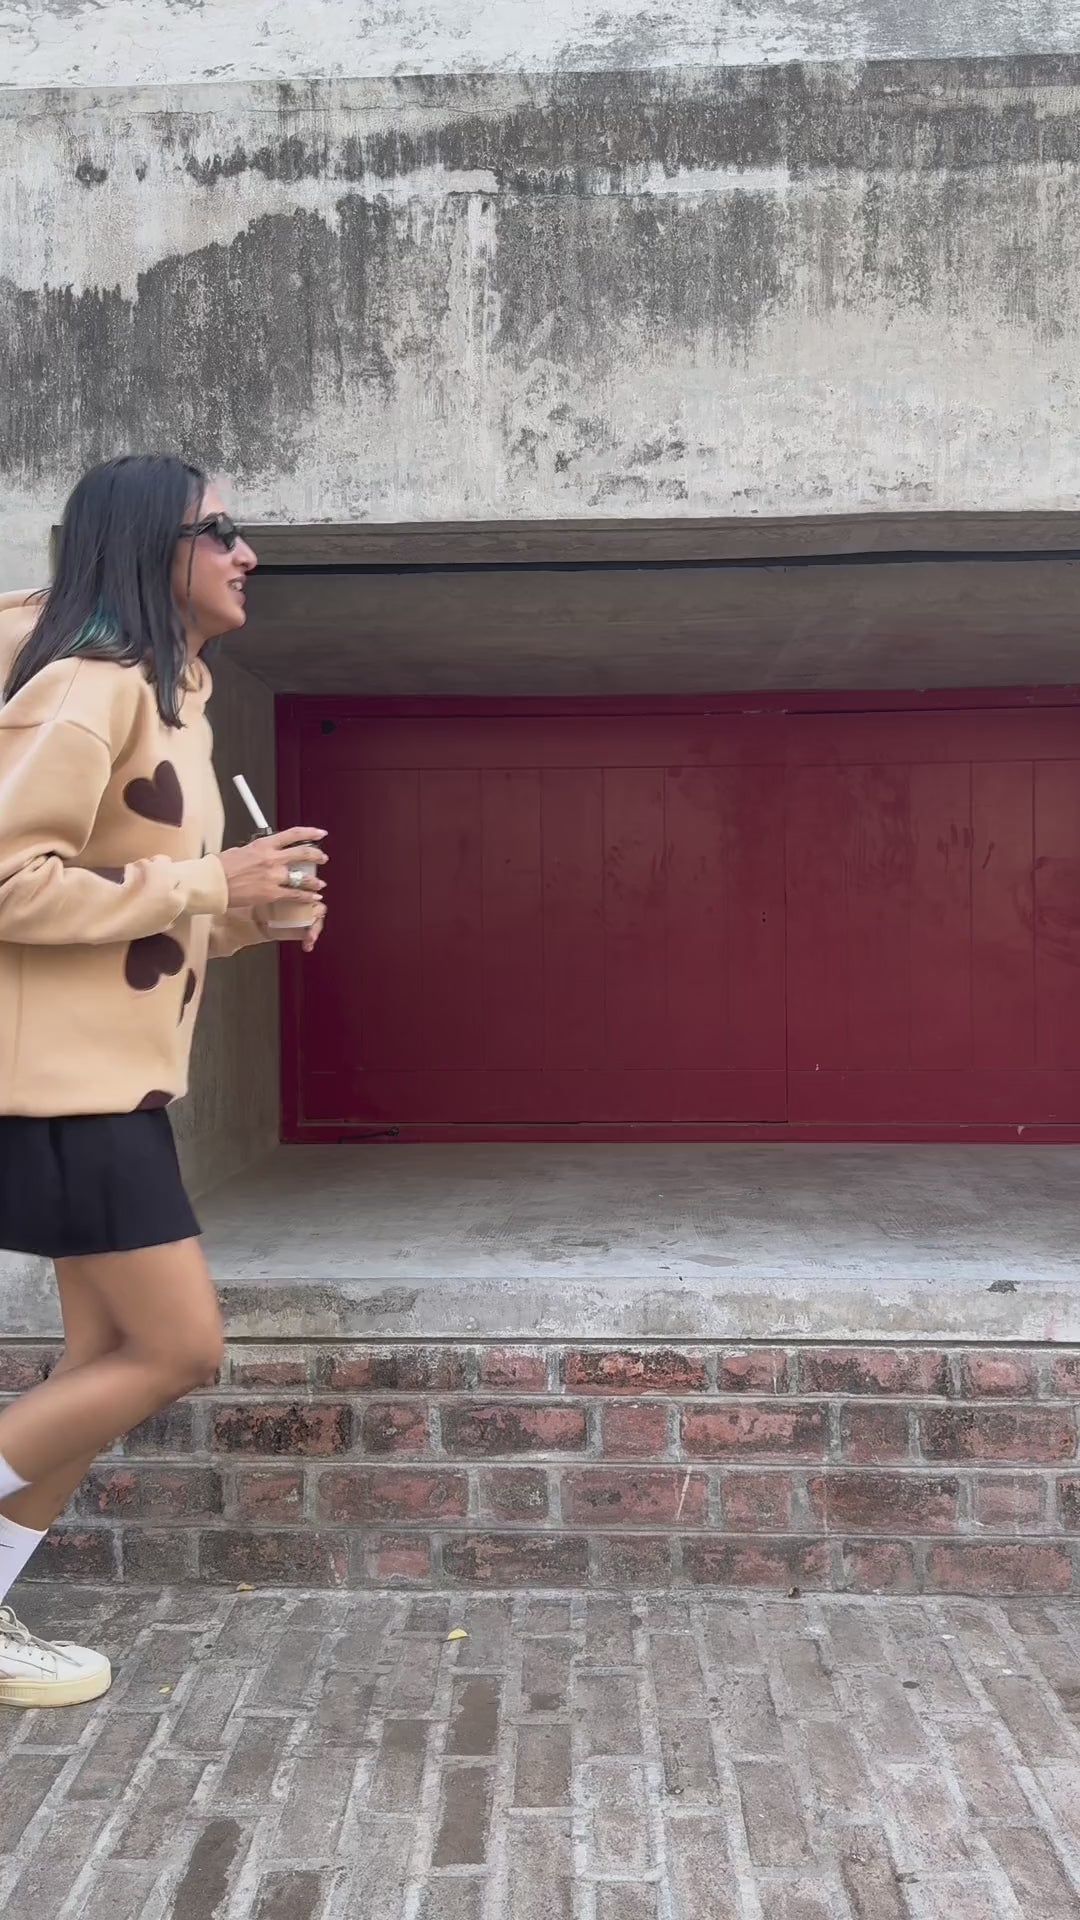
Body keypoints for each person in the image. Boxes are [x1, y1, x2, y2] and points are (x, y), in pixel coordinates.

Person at [0, 455, 327, 1707]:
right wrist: (208, 881)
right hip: (60, 1087)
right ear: (150, 546)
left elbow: (132, 914)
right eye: (221, 530)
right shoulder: (87, 687)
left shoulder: (173, 698)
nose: (249, 554)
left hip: (116, 1085)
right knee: (180, 1347)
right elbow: (11, 882)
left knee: (98, 1363)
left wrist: (245, 916)